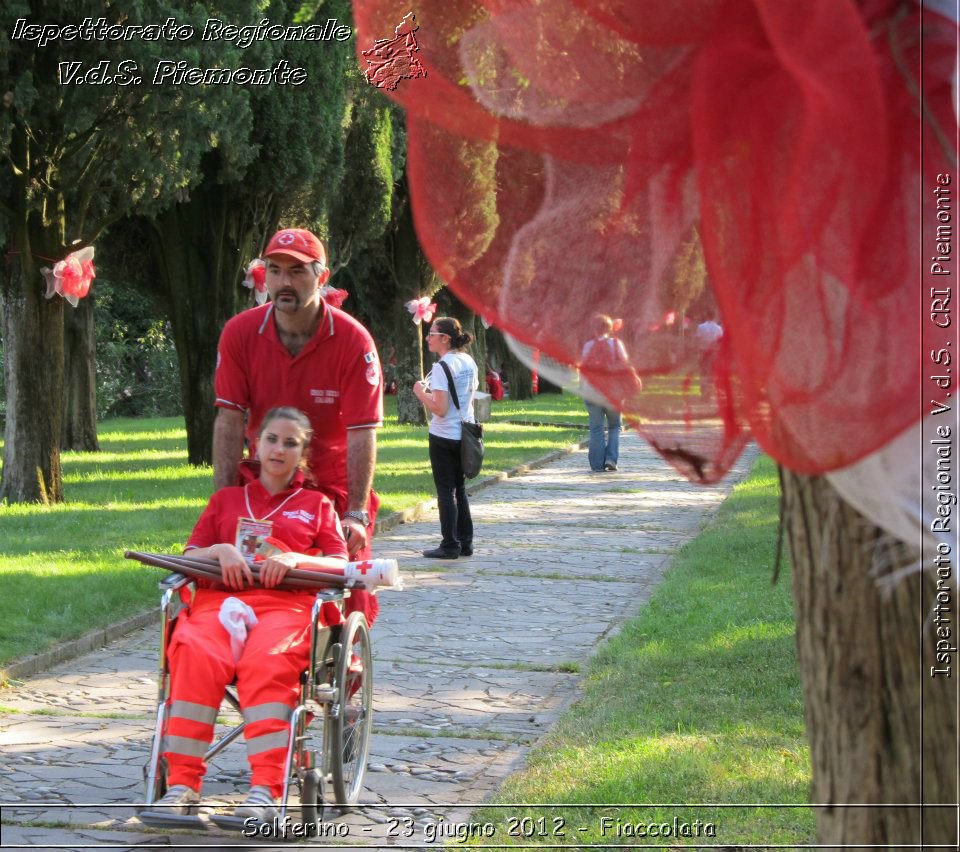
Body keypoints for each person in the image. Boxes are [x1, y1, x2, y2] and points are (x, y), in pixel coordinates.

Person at [150, 408, 349, 821]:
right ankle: (182, 786)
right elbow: (190, 555)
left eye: (290, 443)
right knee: (193, 651)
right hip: (218, 604)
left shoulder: (316, 504)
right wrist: (219, 550)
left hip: (286, 608)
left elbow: (340, 565)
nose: (279, 449)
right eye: (272, 439)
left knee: (266, 662)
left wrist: (296, 559)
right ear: (254, 444)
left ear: (303, 453)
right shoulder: (225, 500)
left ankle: (264, 792)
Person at [213, 227, 383, 623]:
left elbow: (362, 430)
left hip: (331, 483)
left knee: (343, 582)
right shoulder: (240, 333)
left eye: (297, 271)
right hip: (264, 481)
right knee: (241, 575)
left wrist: (356, 512)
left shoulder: (353, 341)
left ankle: (343, 659)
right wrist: (223, 500)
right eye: (274, 270)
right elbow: (229, 419)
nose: (284, 282)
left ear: (321, 277)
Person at [412, 316, 479, 558]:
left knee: (445, 491)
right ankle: (466, 541)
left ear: (445, 338)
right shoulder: (468, 361)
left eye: (432, 333)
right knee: (459, 489)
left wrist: (420, 392)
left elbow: (439, 409)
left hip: (443, 435)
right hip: (464, 432)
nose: (428, 338)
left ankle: (449, 544)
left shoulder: (442, 366)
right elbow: (468, 398)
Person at [579, 314, 631, 473]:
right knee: (615, 426)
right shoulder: (616, 344)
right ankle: (611, 459)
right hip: (613, 393)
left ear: (594, 329)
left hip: (593, 391)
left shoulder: (588, 346)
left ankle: (596, 465)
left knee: (596, 428)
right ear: (609, 329)